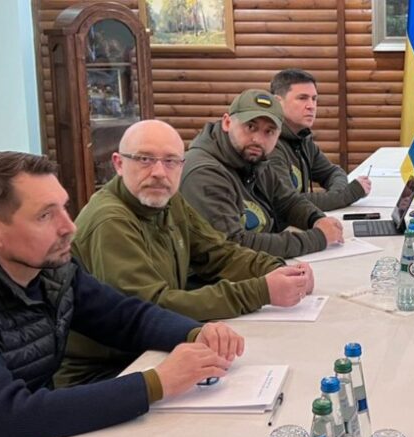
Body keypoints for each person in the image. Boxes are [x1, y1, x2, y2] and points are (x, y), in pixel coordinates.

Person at [0, 152, 245, 437]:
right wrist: (158, 382)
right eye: (45, 215)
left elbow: (125, 317)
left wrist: (196, 333)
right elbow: (14, 420)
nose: (69, 227)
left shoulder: (51, 269)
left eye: (64, 208)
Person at [60, 120, 315, 387]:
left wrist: (276, 269)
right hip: (105, 373)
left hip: (153, 351)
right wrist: (260, 291)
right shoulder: (110, 221)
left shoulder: (168, 200)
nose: (159, 172)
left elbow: (218, 253)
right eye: (145, 159)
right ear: (119, 164)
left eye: (171, 161)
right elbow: (151, 309)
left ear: (182, 165)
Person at [180, 89, 344, 259]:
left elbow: (287, 201)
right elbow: (233, 245)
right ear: (227, 123)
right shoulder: (203, 174)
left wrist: (316, 219)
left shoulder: (253, 159)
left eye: (269, 131)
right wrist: (318, 238)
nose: (258, 140)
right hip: (216, 272)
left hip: (255, 266)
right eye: (250, 127)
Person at [269, 69, 371, 211]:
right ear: (277, 102)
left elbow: (333, 172)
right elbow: (289, 202)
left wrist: (337, 196)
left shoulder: (302, 138)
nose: (311, 106)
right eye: (302, 98)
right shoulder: (269, 144)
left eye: (314, 99)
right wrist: (349, 194)